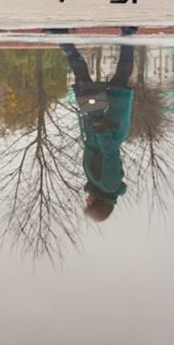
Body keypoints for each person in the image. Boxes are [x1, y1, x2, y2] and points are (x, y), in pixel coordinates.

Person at [62, 43, 135, 223]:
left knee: (85, 82)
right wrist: (99, 126)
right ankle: (128, 39)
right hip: (107, 124)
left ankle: (66, 44)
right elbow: (110, 154)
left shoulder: (98, 185)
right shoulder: (108, 185)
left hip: (99, 124)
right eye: (89, 204)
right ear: (98, 204)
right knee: (115, 82)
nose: (86, 200)